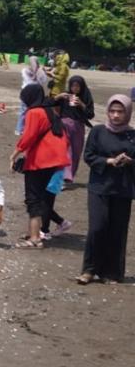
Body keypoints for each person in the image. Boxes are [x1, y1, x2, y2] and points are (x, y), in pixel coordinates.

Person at [77, 95, 135, 284]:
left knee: (117, 230)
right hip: (99, 187)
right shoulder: (98, 131)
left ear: (128, 113)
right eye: (112, 111)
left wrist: (130, 162)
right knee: (97, 227)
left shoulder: (132, 135)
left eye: (120, 112)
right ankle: (89, 270)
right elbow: (89, 156)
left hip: (123, 189)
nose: (116, 115)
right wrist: (108, 161)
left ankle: (111, 272)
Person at [10, 83, 71, 249]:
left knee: (33, 199)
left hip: (40, 161)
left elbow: (29, 136)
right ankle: (35, 232)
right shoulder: (51, 111)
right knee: (42, 197)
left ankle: (35, 238)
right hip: (56, 161)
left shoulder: (34, 112)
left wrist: (14, 154)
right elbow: (64, 138)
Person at [56, 75, 94, 183]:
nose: (75, 88)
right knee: (66, 150)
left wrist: (82, 104)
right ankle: (63, 176)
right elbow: (49, 104)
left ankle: (68, 176)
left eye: (77, 86)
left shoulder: (86, 97)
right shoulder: (65, 96)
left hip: (78, 128)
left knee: (76, 152)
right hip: (64, 126)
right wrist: (58, 97)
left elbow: (91, 114)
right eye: (73, 86)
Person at [16, 56, 48, 135]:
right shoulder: (40, 72)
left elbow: (27, 79)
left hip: (25, 92)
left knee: (23, 111)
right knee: (32, 112)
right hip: (35, 94)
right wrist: (42, 71)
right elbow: (43, 81)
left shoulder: (24, 70)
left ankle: (19, 129)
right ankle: (28, 129)